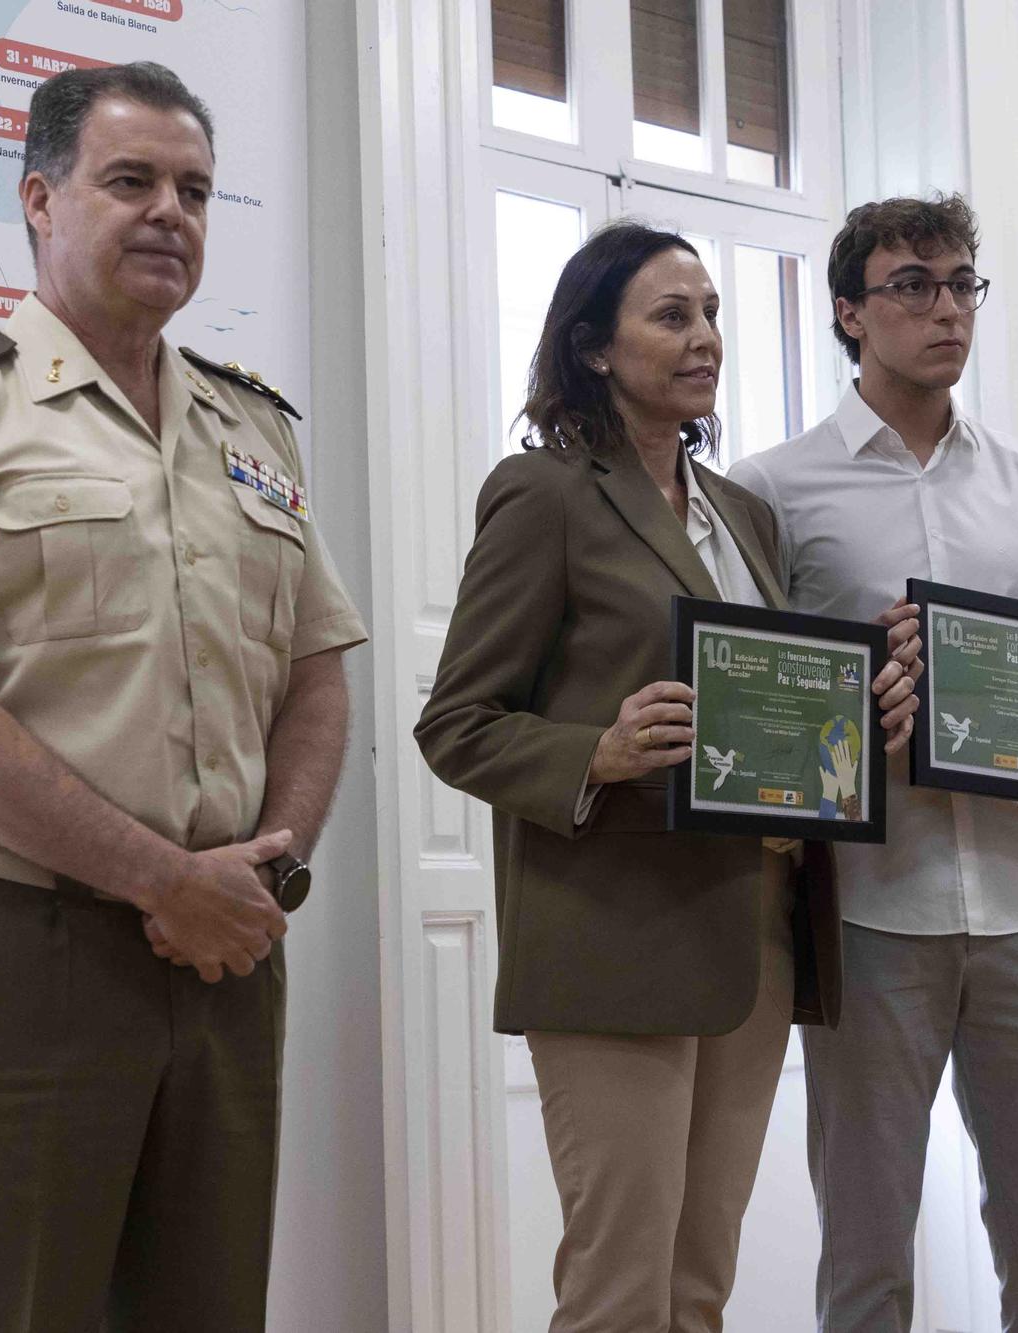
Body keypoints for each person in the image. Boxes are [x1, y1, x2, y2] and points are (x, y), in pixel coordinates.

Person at [0, 62, 367, 1330]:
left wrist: (263, 876)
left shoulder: (253, 429)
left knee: (206, 1308)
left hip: (231, 949)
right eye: (130, 181)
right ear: (38, 201)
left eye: (193, 189)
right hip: (31, 945)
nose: (168, 211)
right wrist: (157, 878)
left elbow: (317, 677)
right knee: (9, 1309)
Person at [414, 221, 921, 1333]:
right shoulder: (542, 494)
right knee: (618, 1291)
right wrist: (590, 750)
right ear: (593, 348)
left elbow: (769, 715)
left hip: (754, 937)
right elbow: (454, 724)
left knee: (697, 1289)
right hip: (612, 939)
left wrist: (859, 729)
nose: (704, 338)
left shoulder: (741, 512)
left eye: (711, 315)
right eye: (670, 315)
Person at [727, 193, 1018, 1333]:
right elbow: (761, 707)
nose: (945, 308)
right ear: (850, 313)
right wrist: (861, 711)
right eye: (912, 284)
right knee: (865, 1265)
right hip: (866, 913)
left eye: (962, 282)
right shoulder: (770, 490)